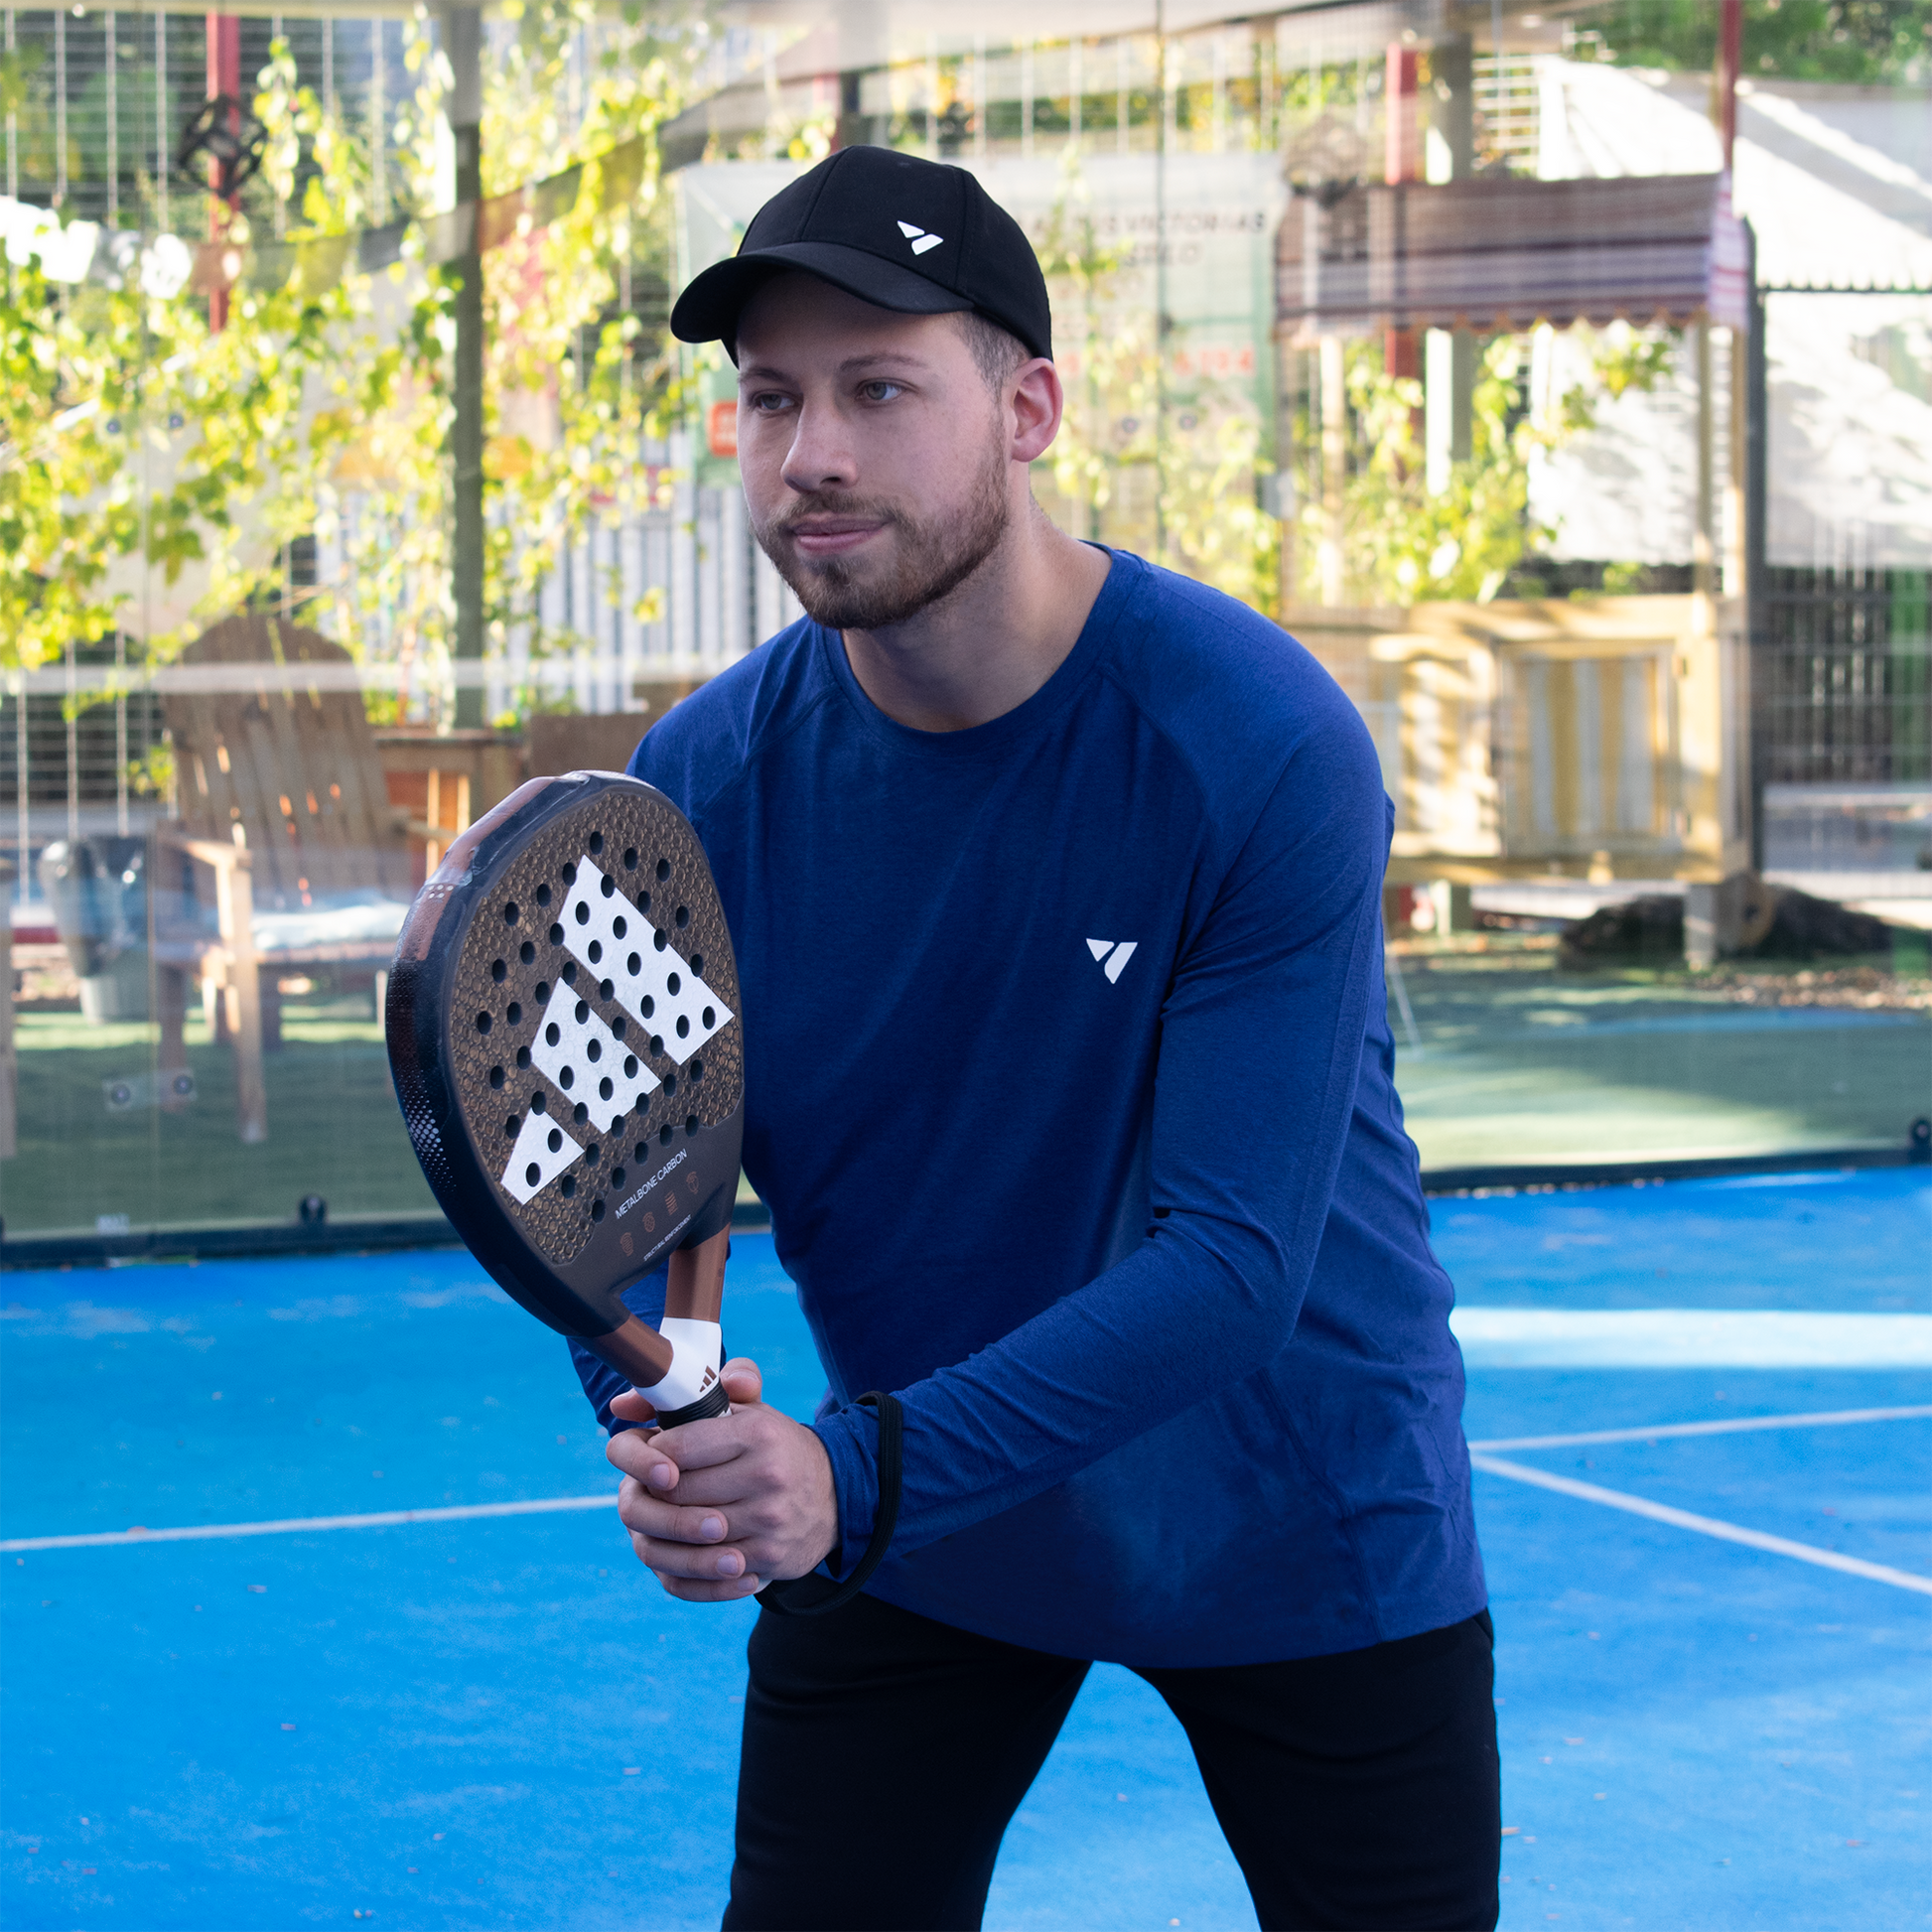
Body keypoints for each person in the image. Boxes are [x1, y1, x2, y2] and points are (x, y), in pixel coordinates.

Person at [568, 144, 1498, 1932]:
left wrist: (841, 1469)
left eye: (878, 387)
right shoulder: (699, 787)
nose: (810, 452)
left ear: (1028, 408)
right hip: (924, 1526)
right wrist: (667, 1418)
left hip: (1297, 1511)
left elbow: (1231, 1262)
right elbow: (633, 1191)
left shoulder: (1254, 740)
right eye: (769, 397)